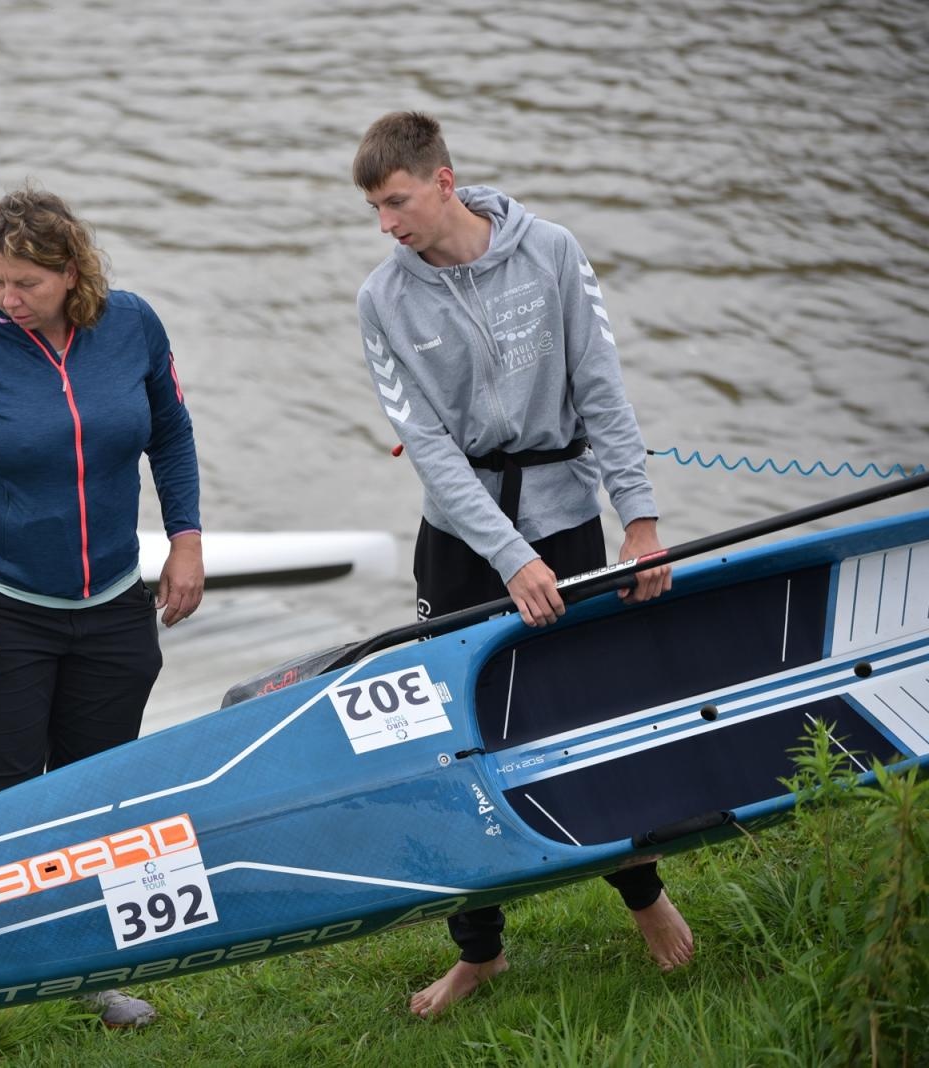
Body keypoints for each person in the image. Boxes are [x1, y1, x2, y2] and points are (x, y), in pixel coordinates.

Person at [351, 112, 695, 1017]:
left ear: (443, 180)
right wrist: (508, 557)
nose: (388, 224)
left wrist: (643, 521)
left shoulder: (551, 252)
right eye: (374, 209)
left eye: (397, 201)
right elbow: (427, 449)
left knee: (592, 712)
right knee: (449, 737)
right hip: (462, 542)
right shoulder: (381, 299)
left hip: (568, 518)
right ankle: (480, 951)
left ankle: (644, 894)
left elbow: (602, 390)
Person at [0, 185, 203, 1064]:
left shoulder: (132, 327)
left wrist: (185, 538)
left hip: (111, 606)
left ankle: (87, 969)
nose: (8, 298)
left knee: (96, 794)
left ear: (73, 272)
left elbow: (172, 435)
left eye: (26, 281)